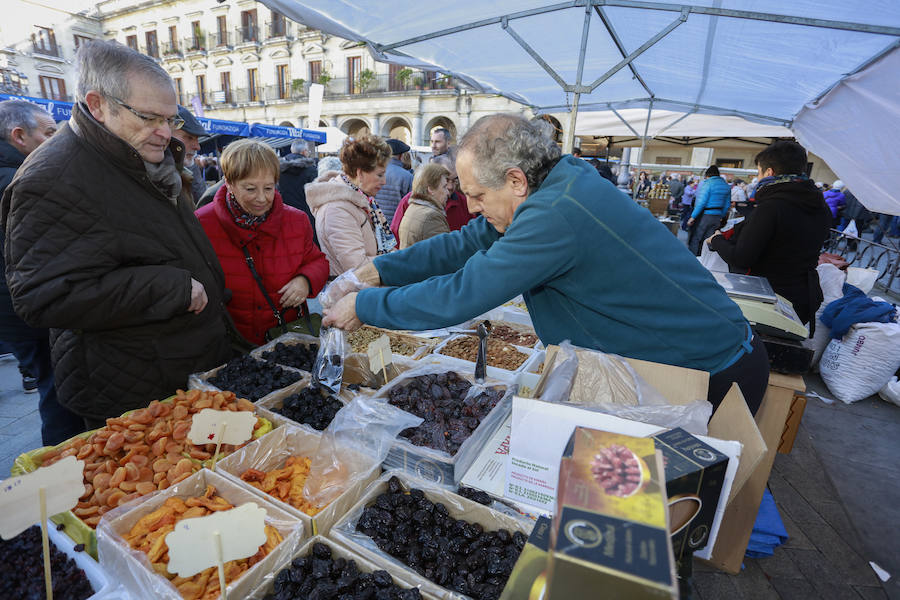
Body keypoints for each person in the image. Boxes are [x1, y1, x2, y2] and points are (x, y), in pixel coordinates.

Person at [323, 114, 768, 415]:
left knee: (657, 527)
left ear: (516, 180)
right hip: (685, 361)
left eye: (478, 195)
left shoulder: (555, 213)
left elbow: (464, 293)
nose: (473, 207)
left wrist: (366, 306)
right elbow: (463, 243)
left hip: (708, 372)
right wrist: (378, 271)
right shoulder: (551, 183)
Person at [1, 40, 232, 428]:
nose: (165, 133)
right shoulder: (52, 178)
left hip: (173, 365)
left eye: (169, 119)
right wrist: (169, 287)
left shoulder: (135, 154)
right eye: (149, 118)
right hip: (132, 386)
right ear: (97, 105)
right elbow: (42, 296)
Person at [0, 100, 85, 444]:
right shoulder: (22, 181)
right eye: (50, 132)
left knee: (51, 385)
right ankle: (62, 475)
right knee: (58, 392)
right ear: (19, 136)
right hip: (28, 311)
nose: (57, 140)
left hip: (15, 308)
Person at [195, 140, 329, 346]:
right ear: (228, 183)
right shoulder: (202, 223)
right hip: (227, 341)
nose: (261, 198)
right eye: (250, 189)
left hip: (285, 338)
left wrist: (306, 280)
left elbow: (318, 261)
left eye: (268, 188)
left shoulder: (297, 220)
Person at [707, 141, 832, 329]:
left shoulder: (772, 207)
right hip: (804, 297)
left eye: (758, 172)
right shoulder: (820, 206)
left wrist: (716, 240)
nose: (757, 178)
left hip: (770, 300)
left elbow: (742, 257)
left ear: (769, 172)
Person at [305, 135, 395, 276]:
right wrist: (398, 260)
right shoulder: (337, 210)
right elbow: (359, 268)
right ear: (360, 173)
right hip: (353, 295)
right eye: (380, 175)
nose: (384, 181)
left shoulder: (363, 199)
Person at [389, 153, 475, 240]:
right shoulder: (409, 201)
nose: (450, 186)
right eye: (446, 180)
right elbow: (395, 237)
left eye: (454, 180)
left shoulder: (463, 202)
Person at [398, 163, 452, 249]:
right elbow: (445, 255)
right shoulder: (431, 217)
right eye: (444, 187)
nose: (448, 193)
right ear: (430, 189)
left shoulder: (413, 208)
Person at [279, 139, 319, 244]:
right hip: (307, 215)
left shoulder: (279, 169)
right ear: (304, 152)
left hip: (283, 214)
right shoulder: (311, 169)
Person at [687, 166, 731, 255]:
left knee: (696, 238)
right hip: (717, 216)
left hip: (705, 215)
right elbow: (727, 205)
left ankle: (693, 259)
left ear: (707, 175)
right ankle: (705, 260)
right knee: (710, 240)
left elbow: (701, 203)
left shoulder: (707, 184)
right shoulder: (726, 186)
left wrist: (693, 217)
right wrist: (721, 216)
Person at [170, 105, 207, 206]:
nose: (197, 147)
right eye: (189, 138)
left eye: (197, 139)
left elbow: (202, 204)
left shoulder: (190, 169)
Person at [373, 138, 413, 223]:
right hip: (397, 224)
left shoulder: (374, 172)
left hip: (376, 222)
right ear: (401, 156)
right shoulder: (407, 176)